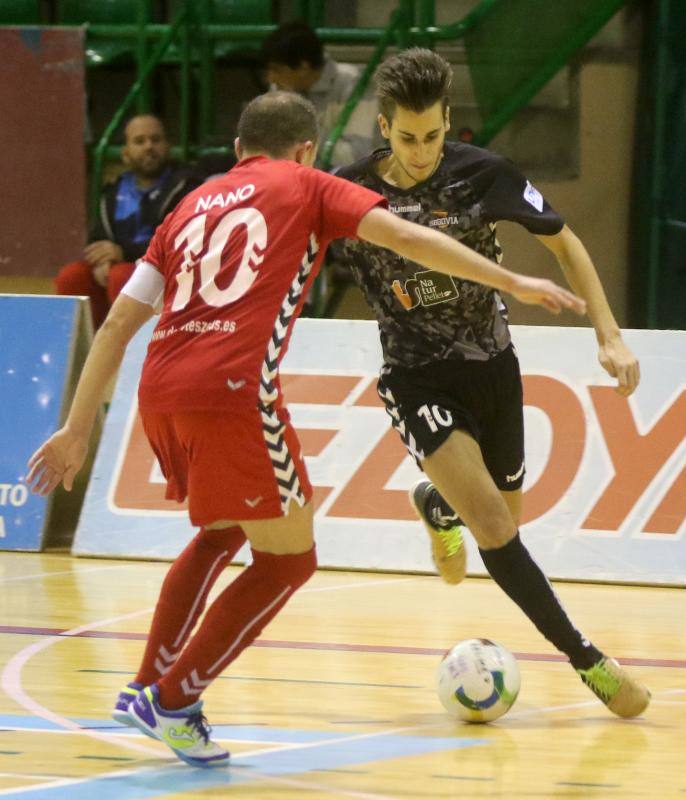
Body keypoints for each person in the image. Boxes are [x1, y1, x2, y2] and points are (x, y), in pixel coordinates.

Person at [26, 91, 584, 768]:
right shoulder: (312, 186)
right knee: (290, 559)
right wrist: (511, 279)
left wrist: (78, 430)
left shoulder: (191, 201)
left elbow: (118, 322)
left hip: (161, 387)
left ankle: (146, 683)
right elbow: (410, 238)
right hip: (232, 391)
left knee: (224, 530)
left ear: (238, 150)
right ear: (306, 151)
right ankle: (175, 699)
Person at [334, 48, 649, 718]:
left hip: (493, 368)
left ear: (448, 121)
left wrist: (609, 332)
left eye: (435, 135)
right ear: (384, 128)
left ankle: (438, 505)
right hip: (415, 376)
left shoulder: (485, 175)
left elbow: (567, 244)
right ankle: (587, 660)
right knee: (498, 532)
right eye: (409, 138)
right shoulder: (349, 191)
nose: (423, 152)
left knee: (506, 515)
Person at [55, 114, 199, 329]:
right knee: (72, 276)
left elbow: (178, 242)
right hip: (119, 268)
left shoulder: (186, 186)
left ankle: (129, 357)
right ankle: (82, 353)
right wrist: (102, 260)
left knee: (121, 275)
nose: (149, 146)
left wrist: (123, 253)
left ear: (168, 147)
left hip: (164, 271)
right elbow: (97, 237)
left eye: (156, 140)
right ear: (125, 153)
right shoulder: (113, 190)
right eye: (140, 141)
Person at [261, 20, 379, 167]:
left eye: (277, 70)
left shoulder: (353, 85)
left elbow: (357, 156)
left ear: (303, 68)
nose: (271, 78)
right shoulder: (281, 87)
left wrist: (300, 130)